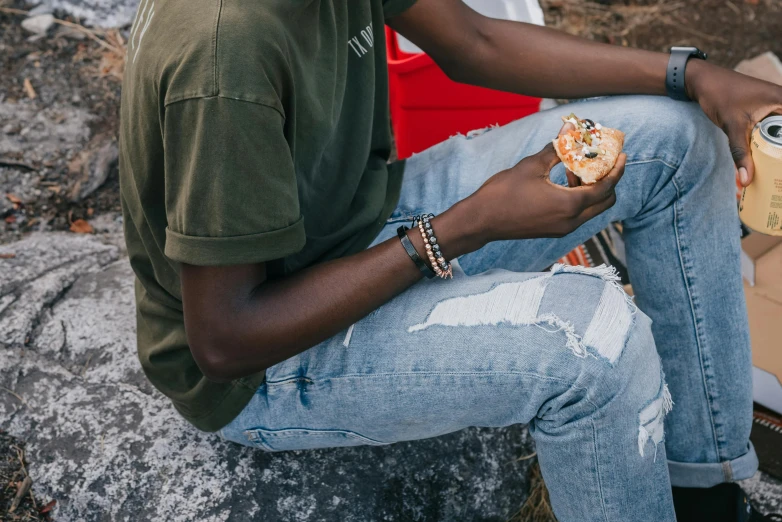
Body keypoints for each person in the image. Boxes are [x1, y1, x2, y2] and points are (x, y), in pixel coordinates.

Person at [118, 0, 782, 520]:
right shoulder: (223, 55)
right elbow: (226, 341)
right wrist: (466, 226)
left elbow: (475, 41)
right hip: (268, 363)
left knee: (679, 144)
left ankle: (704, 492)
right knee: (598, 342)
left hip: (355, 227)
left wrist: (691, 74)